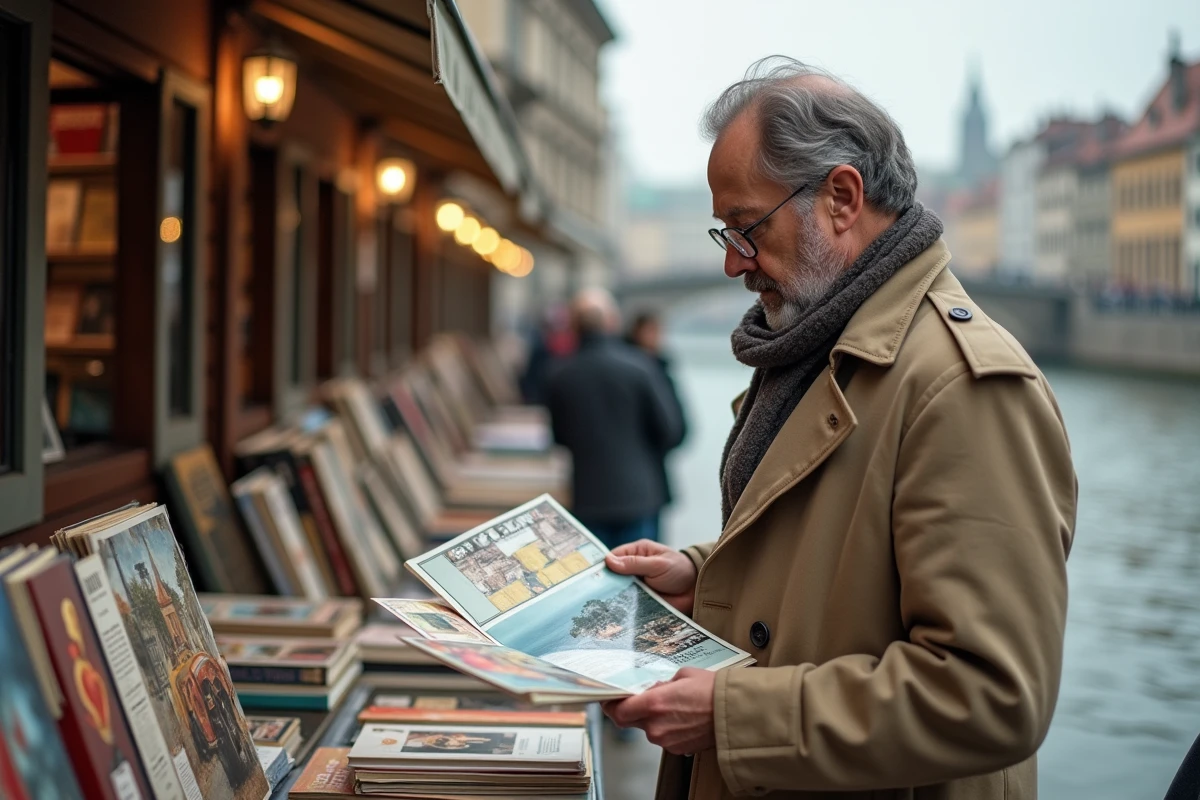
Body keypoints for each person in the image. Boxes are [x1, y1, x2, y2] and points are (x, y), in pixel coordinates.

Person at [602, 57, 1077, 800]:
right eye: (722, 231)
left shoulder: (964, 386)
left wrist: (731, 714)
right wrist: (706, 573)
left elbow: (992, 696)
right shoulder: (818, 344)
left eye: (746, 227)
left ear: (843, 198)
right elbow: (837, 549)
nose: (732, 262)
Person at [544, 289, 685, 550]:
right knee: (643, 582)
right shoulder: (642, 366)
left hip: (587, 497)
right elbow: (673, 431)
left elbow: (559, 438)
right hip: (642, 495)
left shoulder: (559, 374)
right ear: (612, 322)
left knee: (595, 584)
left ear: (574, 326)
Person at [625, 311, 689, 540]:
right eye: (653, 332)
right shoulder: (652, 369)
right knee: (648, 557)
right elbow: (674, 430)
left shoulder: (653, 366)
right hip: (647, 481)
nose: (657, 338)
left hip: (612, 487)